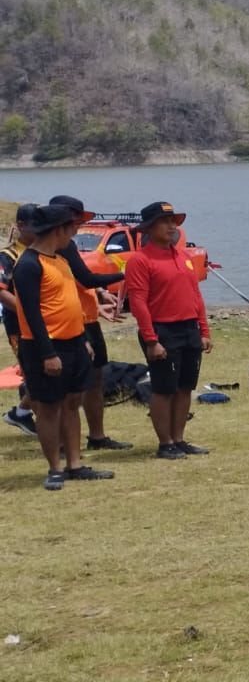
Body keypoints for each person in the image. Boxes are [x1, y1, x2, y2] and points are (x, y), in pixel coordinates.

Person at [11, 203, 116, 489]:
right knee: (48, 407)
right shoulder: (29, 264)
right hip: (44, 348)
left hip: (74, 344)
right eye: (72, 228)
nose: (75, 233)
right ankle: (55, 468)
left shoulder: (60, 260)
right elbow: (31, 314)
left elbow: (69, 305)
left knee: (72, 404)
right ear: (59, 229)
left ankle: (75, 464)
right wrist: (48, 353)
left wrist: (82, 338)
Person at [123, 201, 212, 460]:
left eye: (174, 221)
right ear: (150, 228)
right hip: (162, 330)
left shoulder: (183, 257)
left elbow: (196, 295)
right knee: (164, 389)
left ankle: (179, 438)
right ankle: (165, 443)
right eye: (166, 222)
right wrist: (151, 340)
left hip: (188, 328)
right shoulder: (140, 260)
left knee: (185, 387)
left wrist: (204, 331)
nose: (172, 227)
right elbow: (138, 302)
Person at [49, 196, 130, 450]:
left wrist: (98, 292)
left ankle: (97, 436)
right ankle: (63, 442)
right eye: (76, 220)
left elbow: (79, 281)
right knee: (69, 388)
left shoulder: (69, 245)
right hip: (72, 324)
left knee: (95, 379)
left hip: (88, 318)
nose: (79, 225)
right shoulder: (57, 246)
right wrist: (125, 274)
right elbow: (85, 277)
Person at [0, 206, 40, 436]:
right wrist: (29, 312)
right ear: (22, 225)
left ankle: (22, 412)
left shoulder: (43, 251)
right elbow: (2, 291)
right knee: (34, 372)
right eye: (35, 224)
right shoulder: (9, 256)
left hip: (48, 321)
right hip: (20, 325)